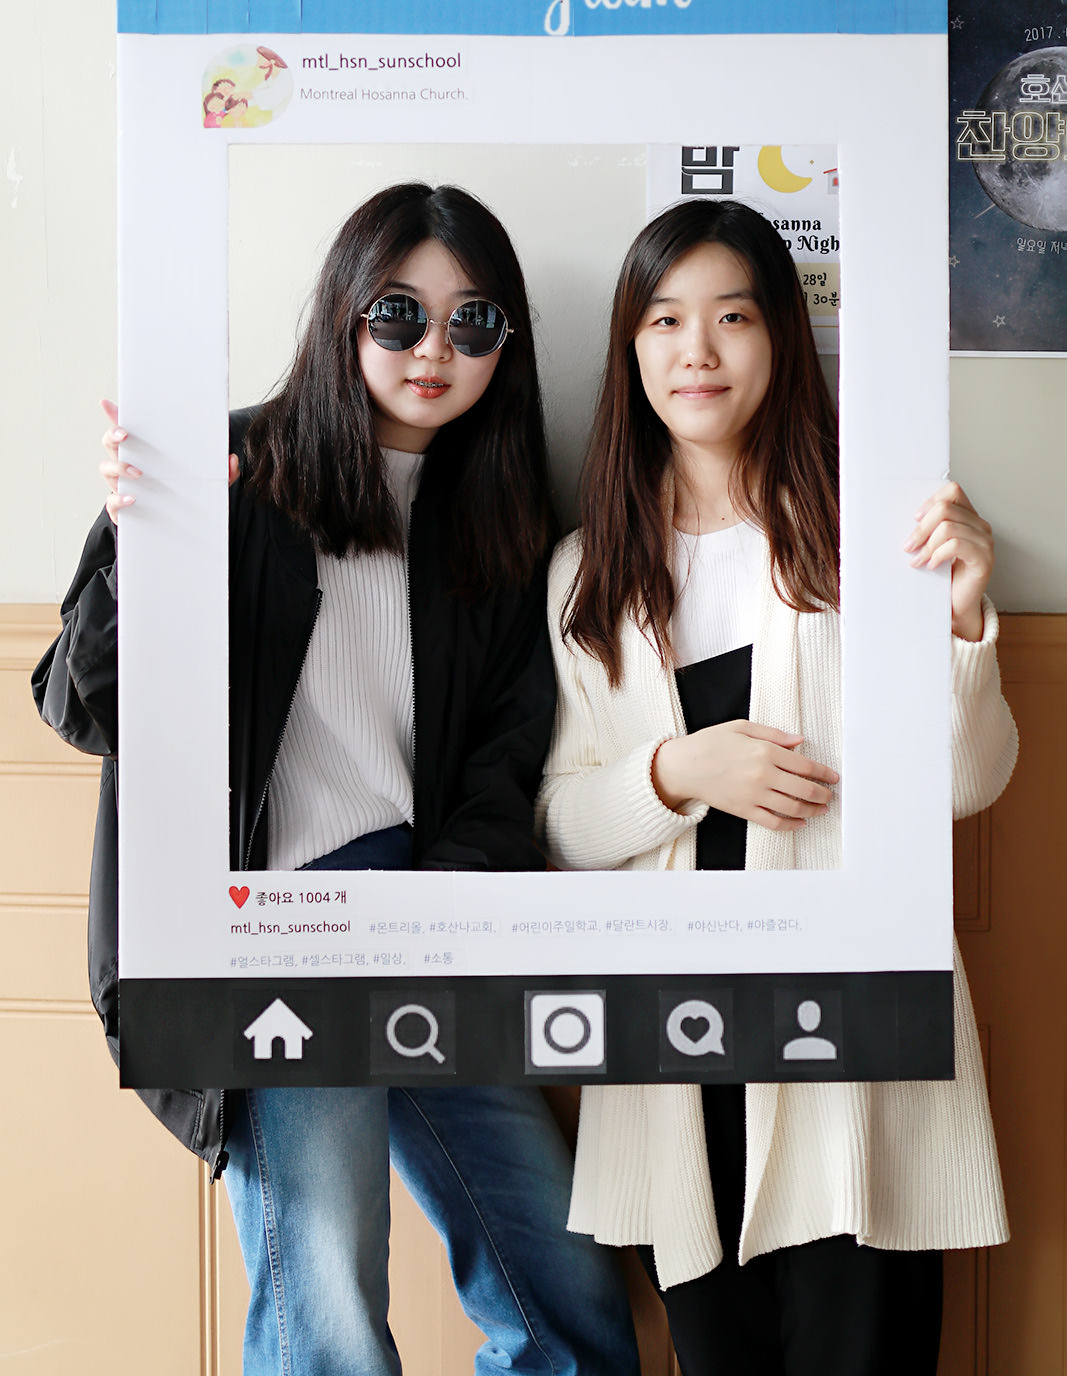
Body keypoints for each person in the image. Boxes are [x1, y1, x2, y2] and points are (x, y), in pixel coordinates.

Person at [33, 183, 640, 1376]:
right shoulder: (228, 470)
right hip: (267, 934)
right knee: (330, 1312)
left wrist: (431, 916)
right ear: (343, 313)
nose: (433, 350)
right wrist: (139, 544)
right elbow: (82, 706)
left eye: (473, 322)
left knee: (565, 1294)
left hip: (428, 918)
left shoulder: (500, 523)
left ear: (506, 347)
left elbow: (503, 758)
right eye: (398, 313)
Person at [537, 198, 1018, 1376]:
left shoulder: (869, 537)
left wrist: (962, 619)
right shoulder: (587, 570)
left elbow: (964, 783)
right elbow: (557, 821)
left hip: (845, 1040)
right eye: (662, 320)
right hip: (675, 1044)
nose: (694, 350)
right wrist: (675, 771)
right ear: (629, 347)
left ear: (779, 337)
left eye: (731, 316)